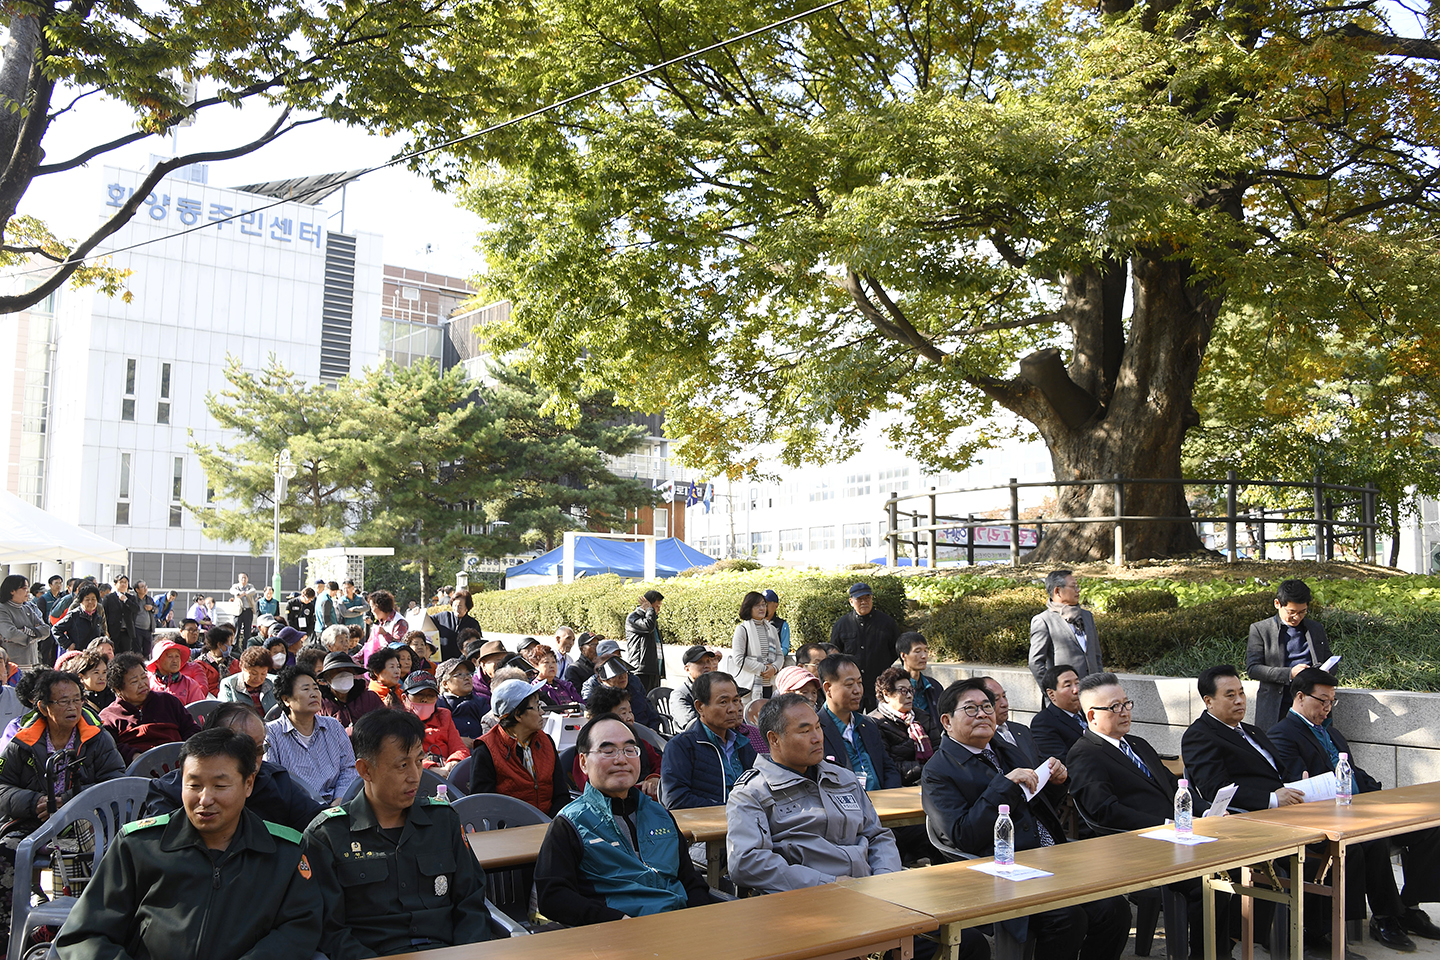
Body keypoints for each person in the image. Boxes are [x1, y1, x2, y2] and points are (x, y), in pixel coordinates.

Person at [53, 727, 323, 960]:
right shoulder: (139, 846)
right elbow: (84, 935)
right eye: (193, 785)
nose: (205, 799)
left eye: (220, 786)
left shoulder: (282, 853)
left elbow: (300, 928)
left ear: (248, 784)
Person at [922, 678, 1130, 960]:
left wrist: (1056, 783)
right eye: (971, 709)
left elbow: (1037, 806)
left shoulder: (1005, 748)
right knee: (1068, 918)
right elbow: (962, 834)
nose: (983, 714)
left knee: (1114, 908)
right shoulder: (938, 770)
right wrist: (1004, 785)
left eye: (987, 706)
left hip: (1050, 859)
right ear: (947, 721)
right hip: (1003, 869)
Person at [1267, 667, 1440, 950]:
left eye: (1332, 701)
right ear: (1299, 697)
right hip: (1331, 818)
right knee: (1376, 838)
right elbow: (1302, 785)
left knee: (1427, 827)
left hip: (1362, 808)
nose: (1327, 708)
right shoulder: (1282, 735)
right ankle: (1385, 916)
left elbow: (1354, 773)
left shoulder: (1332, 732)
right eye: (1322, 700)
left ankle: (1409, 906)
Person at [301, 709, 491, 958]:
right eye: (402, 765)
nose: (414, 776)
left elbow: (471, 903)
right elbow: (330, 930)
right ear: (365, 770)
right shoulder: (327, 836)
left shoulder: (443, 821)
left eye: (419, 761)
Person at [1065, 672, 1225, 955]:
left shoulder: (1138, 744)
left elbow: (1176, 786)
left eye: (1127, 704)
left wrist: (1208, 810)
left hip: (1178, 836)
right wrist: (1165, 825)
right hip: (1137, 847)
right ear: (1091, 716)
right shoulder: (1085, 754)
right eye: (1115, 707)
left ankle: (1224, 947)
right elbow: (1104, 811)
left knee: (1236, 865)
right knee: (1208, 883)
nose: (1125, 712)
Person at [536, 712, 717, 925]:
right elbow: (553, 897)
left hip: (680, 928)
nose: (621, 759)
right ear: (584, 762)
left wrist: (697, 918)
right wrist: (615, 920)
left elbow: (689, 878)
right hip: (618, 936)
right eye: (607, 750)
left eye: (630, 750)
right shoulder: (570, 823)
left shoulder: (660, 814)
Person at [0, 669, 126, 939]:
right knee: (6, 850)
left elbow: (115, 782)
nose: (73, 707)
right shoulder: (23, 741)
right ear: (44, 707)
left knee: (74, 852)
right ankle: (10, 933)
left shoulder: (96, 739)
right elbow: (2, 786)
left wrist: (70, 802)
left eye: (77, 699)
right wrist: (34, 802)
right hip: (33, 820)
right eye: (63, 701)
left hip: (84, 821)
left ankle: (67, 930)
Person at [143, 701, 323, 831]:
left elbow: (319, 825)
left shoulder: (276, 782)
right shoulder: (169, 791)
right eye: (241, 749)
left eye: (260, 749)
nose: (252, 758)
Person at [1180, 665, 1304, 812]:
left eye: (1241, 693)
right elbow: (1215, 789)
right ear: (1208, 701)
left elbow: (1276, 773)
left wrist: (1301, 784)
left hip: (1289, 805)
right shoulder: (1199, 736)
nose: (1239, 701)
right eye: (1230, 695)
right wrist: (1272, 799)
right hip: (1254, 814)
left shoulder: (1253, 731)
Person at [470, 678, 567, 815]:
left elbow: (561, 795)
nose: (542, 712)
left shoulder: (546, 742)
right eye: (537, 706)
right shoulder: (486, 750)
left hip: (549, 825)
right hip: (509, 829)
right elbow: (484, 805)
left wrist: (551, 825)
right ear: (518, 715)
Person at [1246, 578, 1335, 730]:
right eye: (1291, 612)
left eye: (1302, 612)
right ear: (1277, 604)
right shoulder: (1261, 629)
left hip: (1313, 703)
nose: (1297, 617)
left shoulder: (1315, 628)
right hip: (1277, 704)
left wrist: (1320, 672)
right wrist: (1290, 673)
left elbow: (1329, 661)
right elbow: (1253, 669)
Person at [660, 670, 757, 808]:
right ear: (700, 707)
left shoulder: (744, 742)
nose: (733, 709)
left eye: (735, 700)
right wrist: (731, 809)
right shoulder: (681, 747)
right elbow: (676, 800)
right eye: (723, 702)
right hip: (712, 826)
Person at [264, 665, 358, 804]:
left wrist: (339, 800)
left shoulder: (333, 726)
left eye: (315, 688)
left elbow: (348, 768)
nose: (314, 694)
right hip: (296, 810)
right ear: (286, 699)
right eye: (306, 689)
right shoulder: (272, 733)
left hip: (339, 806)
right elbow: (273, 781)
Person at [816, 654, 900, 791]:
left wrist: (889, 798)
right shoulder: (816, 730)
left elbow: (888, 767)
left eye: (859, 683)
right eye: (849, 684)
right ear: (827, 688)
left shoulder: (869, 724)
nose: (857, 691)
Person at [99, 652, 200, 762]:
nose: (142, 684)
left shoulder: (168, 701)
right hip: (138, 772)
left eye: (144, 677)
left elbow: (191, 729)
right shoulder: (109, 717)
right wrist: (133, 755)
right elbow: (109, 748)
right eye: (134, 682)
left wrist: (184, 752)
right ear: (118, 689)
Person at [572, 686, 663, 796]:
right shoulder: (589, 749)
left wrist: (654, 778)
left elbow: (661, 764)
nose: (630, 717)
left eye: (630, 711)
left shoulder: (640, 743)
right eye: (623, 713)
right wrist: (637, 788)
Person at [828, 582, 900, 712]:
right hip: (851, 686)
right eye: (859, 599)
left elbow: (895, 649)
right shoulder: (841, 625)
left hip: (879, 683)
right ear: (851, 601)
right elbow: (835, 653)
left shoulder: (887, 623)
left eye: (867, 598)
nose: (864, 602)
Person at [1028, 569, 1103, 687]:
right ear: (1057, 591)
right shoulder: (1044, 620)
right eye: (1073, 586)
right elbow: (1035, 663)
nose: (1078, 590)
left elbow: (1096, 656)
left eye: (1078, 586)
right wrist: (1053, 692)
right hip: (1064, 696)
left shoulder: (1087, 616)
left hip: (1091, 693)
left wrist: (1100, 685)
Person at [868, 667, 934, 785]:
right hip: (900, 785)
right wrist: (925, 768)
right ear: (886, 694)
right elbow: (887, 764)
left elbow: (939, 748)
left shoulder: (922, 716)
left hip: (931, 778)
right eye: (903, 691)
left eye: (910, 690)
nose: (909, 696)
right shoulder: (874, 722)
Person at [401, 672, 469, 775]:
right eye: (419, 695)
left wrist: (454, 762)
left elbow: (459, 747)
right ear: (404, 698)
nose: (425, 699)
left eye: (431, 695)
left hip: (447, 772)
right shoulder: (399, 722)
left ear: (437, 698)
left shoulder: (444, 716)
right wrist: (430, 768)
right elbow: (403, 756)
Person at [732, 590, 786, 698]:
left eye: (763, 605)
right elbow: (738, 659)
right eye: (757, 606)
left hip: (770, 683)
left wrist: (774, 668)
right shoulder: (742, 629)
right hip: (750, 686)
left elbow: (779, 655)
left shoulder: (772, 629)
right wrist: (763, 669)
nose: (762, 608)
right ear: (749, 608)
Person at [1030, 664, 1089, 762]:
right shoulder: (1043, 722)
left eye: (1077, 683)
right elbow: (1061, 762)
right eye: (1068, 685)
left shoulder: (1089, 712)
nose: (1076, 690)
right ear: (1051, 694)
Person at [977, 675, 1039, 764]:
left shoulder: (1022, 730)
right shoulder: (982, 737)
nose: (1005, 704)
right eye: (996, 699)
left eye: (1004, 696)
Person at [316, 651, 383, 731]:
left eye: (347, 670)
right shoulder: (320, 705)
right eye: (338, 671)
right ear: (327, 677)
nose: (343, 674)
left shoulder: (370, 698)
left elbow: (384, 725)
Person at [896, 631, 944, 741]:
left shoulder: (934, 686)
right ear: (903, 655)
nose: (924, 656)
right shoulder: (892, 688)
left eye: (926, 651)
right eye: (917, 651)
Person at [50, 582, 108, 664]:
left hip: (93, 657)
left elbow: (101, 633)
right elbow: (56, 629)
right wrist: (68, 644)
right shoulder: (74, 615)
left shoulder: (98, 617)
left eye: (93, 599)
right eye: (87, 599)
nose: (91, 602)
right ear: (81, 601)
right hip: (77, 657)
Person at [437, 657, 488, 742]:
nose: (467, 678)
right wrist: (456, 740)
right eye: (459, 674)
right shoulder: (439, 704)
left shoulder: (480, 702)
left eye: (468, 674)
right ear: (445, 684)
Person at [0, 574, 47, 666]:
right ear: (12, 591)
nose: (28, 591)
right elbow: (10, 633)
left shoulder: (27, 608)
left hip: (32, 661)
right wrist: (34, 637)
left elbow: (46, 630)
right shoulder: (2, 609)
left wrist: (25, 630)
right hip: (14, 664)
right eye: (24, 588)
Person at [219, 646, 281, 716]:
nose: (258, 678)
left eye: (263, 674)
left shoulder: (274, 682)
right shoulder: (229, 684)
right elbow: (226, 714)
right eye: (253, 673)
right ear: (242, 667)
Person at [670, 644, 720, 729]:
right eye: (700, 662)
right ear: (687, 669)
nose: (707, 665)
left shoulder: (716, 689)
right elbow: (691, 725)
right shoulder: (680, 695)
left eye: (708, 661)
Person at [145, 637, 209, 704]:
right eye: (170, 656)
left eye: (177, 656)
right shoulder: (147, 682)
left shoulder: (190, 685)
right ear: (157, 661)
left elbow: (198, 710)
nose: (175, 660)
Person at [625, 589, 666, 691]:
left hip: (654, 669)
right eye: (657, 607)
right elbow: (648, 627)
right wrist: (650, 610)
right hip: (641, 669)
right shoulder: (633, 617)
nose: (658, 610)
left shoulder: (651, 619)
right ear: (648, 604)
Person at [433, 590, 481, 662]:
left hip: (464, 664)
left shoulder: (473, 624)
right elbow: (426, 620)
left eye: (460, 606)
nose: (456, 609)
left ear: (467, 608)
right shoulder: (443, 617)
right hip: (442, 661)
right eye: (454, 605)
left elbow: (476, 645)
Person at [361, 589, 407, 662]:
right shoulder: (381, 622)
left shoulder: (400, 622)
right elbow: (369, 644)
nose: (371, 611)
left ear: (380, 606)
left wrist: (385, 634)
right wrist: (356, 658)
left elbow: (398, 646)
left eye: (372, 607)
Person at [192, 625, 239, 696]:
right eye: (229, 642)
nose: (231, 645)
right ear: (219, 644)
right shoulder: (199, 665)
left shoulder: (234, 663)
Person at [63, 648, 114, 713]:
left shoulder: (115, 696)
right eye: (96, 673)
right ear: (81, 677)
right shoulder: (77, 702)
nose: (102, 678)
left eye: (104, 672)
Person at [101, 575, 139, 656]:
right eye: (121, 582)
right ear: (115, 584)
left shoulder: (131, 598)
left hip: (127, 631)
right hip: (113, 631)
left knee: (126, 655)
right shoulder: (109, 597)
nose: (123, 584)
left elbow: (136, 609)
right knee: (113, 654)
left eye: (125, 582)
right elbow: (104, 613)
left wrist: (126, 600)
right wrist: (105, 630)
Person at [132, 581, 157, 655]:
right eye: (142, 587)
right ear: (137, 589)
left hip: (148, 629)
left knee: (147, 650)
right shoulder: (133, 599)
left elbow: (157, 610)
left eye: (146, 586)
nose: (145, 588)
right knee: (137, 650)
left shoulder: (149, 599)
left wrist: (151, 608)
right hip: (137, 629)